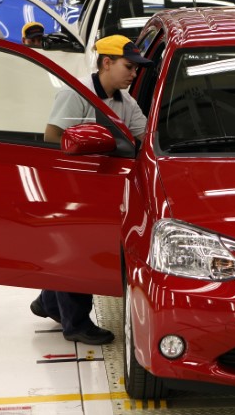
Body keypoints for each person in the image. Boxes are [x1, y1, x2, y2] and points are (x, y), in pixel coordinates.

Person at [31, 34, 153, 344]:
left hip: (100, 186)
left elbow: (144, 136)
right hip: (71, 184)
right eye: (129, 67)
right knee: (78, 253)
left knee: (82, 249)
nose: (134, 74)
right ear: (107, 62)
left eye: (136, 69)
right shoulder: (76, 94)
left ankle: (47, 302)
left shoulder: (126, 103)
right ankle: (76, 324)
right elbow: (50, 137)